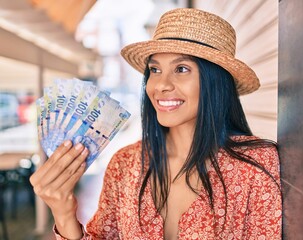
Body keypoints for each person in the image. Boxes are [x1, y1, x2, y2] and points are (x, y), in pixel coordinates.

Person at [30, 8, 282, 240]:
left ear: (215, 81)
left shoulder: (255, 166)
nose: (160, 85)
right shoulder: (125, 164)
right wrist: (63, 212)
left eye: (181, 69)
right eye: (155, 69)